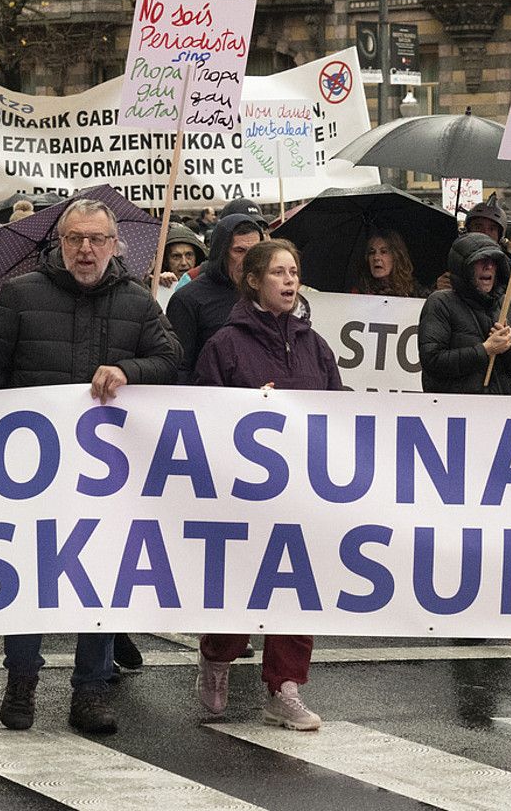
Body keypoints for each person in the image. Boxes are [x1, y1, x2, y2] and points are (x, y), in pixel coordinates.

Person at [0, 198, 179, 735]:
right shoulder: (20, 295)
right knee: (30, 575)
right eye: (75, 239)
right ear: (60, 244)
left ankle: (91, 689)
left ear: (115, 245)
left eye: (97, 240)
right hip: (29, 467)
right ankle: (21, 681)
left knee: (101, 576)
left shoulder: (137, 302)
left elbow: (173, 360)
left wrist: (129, 369)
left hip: (106, 473)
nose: (86, 249)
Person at [192, 240, 341, 731]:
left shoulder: (315, 345)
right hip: (244, 495)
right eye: (278, 272)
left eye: (294, 271)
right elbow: (203, 413)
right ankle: (218, 657)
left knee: (297, 587)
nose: (289, 280)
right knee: (240, 584)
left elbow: (340, 411)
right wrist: (246, 408)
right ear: (253, 280)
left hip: (304, 492)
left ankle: (285, 686)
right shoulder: (225, 344)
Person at [418, 232, 511, 395]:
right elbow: (432, 361)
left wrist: (510, 346)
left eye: (493, 262)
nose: (489, 267)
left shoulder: (506, 305)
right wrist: (485, 350)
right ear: (463, 267)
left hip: (497, 410)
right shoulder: (441, 303)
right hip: (453, 412)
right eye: (481, 261)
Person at [167, 213, 265, 382]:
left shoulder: (267, 294)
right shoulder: (187, 300)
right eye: (239, 251)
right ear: (222, 252)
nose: (248, 259)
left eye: (255, 251)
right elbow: (179, 369)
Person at [355, 229, 430, 298]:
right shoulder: (359, 293)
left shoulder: (413, 290)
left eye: (383, 252)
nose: (376, 257)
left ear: (396, 256)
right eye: (372, 252)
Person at [157, 223, 207, 289]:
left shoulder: (208, 284)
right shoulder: (155, 286)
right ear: (166, 260)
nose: (184, 263)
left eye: (189, 255)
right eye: (176, 256)